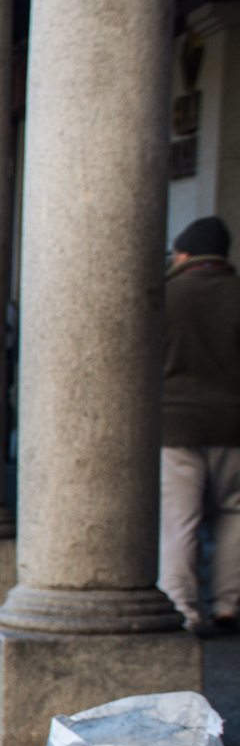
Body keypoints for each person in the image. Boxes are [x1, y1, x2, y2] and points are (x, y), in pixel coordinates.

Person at [160, 215, 240, 630]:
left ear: (185, 253)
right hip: (233, 425)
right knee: (235, 513)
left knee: (179, 518)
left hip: (174, 426)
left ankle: (184, 607)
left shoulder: (167, 295)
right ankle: (228, 602)